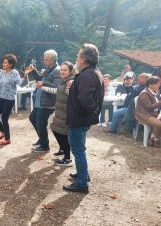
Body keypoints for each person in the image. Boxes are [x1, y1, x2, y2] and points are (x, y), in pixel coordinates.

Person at [63, 43, 104, 193]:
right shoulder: (92, 72)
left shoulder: (87, 74)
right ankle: (83, 174)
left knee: (78, 150)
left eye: (78, 56)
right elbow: (87, 93)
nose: (76, 58)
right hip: (82, 118)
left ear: (84, 59)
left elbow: (86, 99)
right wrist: (75, 86)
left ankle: (81, 183)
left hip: (79, 118)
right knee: (79, 148)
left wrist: (93, 111)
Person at [27, 49, 61, 152]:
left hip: (47, 103)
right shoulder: (48, 68)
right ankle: (42, 139)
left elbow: (57, 86)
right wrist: (33, 70)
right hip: (40, 101)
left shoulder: (57, 70)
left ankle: (45, 146)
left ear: (52, 60)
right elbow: (40, 79)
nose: (43, 61)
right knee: (33, 118)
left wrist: (44, 83)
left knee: (40, 124)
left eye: (45, 59)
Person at [44, 61, 75, 166]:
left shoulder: (70, 82)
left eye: (65, 70)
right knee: (54, 128)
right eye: (61, 69)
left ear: (70, 72)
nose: (62, 71)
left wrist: (73, 84)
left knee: (63, 135)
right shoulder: (63, 81)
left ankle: (67, 159)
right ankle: (62, 150)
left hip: (65, 114)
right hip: (59, 112)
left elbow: (71, 95)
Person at [135, 77, 161, 148]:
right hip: (144, 114)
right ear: (150, 85)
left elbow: (157, 102)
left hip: (153, 113)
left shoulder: (156, 92)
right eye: (157, 84)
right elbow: (149, 107)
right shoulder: (144, 94)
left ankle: (153, 137)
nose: (158, 85)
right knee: (160, 124)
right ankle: (155, 139)